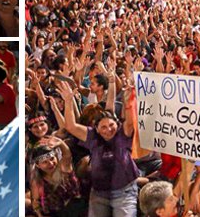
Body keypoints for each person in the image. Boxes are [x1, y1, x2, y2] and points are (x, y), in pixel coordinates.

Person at [52, 78, 139, 217]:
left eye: (111, 125)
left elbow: (130, 121)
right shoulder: (92, 136)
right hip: (99, 192)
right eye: (103, 127)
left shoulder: (123, 133)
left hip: (125, 191)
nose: (108, 129)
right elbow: (71, 126)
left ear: (117, 124)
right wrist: (68, 101)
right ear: (96, 129)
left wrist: (129, 101)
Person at [28, 136, 83, 216]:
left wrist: (61, 143)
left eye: (52, 158)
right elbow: (36, 202)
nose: (50, 163)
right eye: (45, 162)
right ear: (38, 165)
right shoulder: (37, 181)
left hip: (77, 207)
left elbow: (67, 154)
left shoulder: (63, 167)